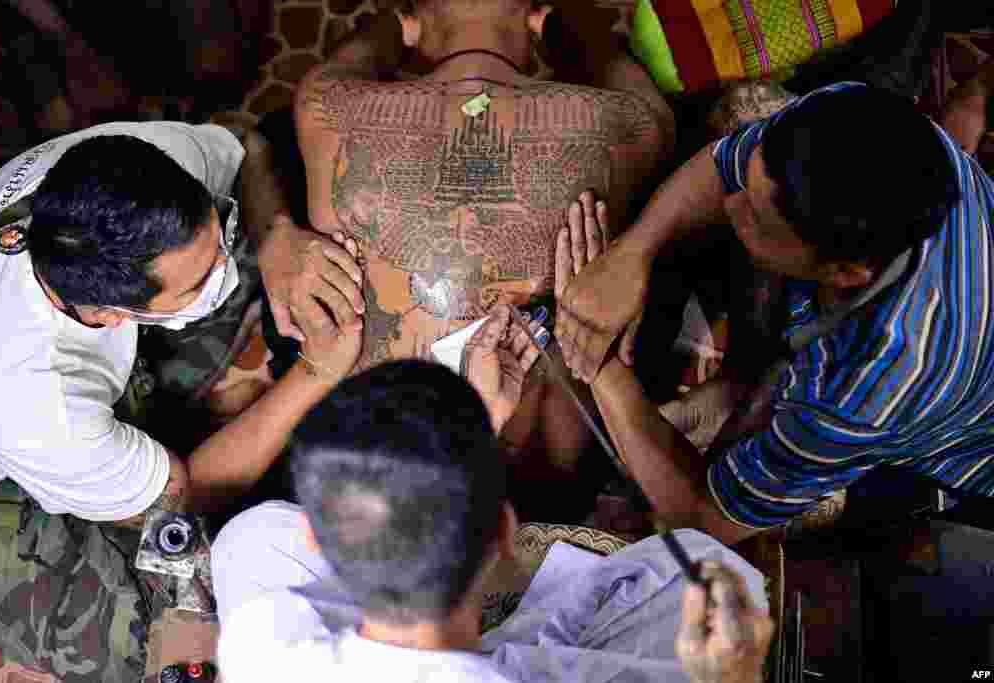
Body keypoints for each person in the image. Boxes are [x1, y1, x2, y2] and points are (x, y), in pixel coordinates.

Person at [554, 81, 994, 545]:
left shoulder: (872, 391)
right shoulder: (884, 136)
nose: (730, 204)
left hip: (966, 443)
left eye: (757, 219)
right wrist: (632, 254)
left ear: (843, 272)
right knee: (745, 108)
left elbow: (708, 518)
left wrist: (598, 364)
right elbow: (724, 168)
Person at [250, 1, 674, 474]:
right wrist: (559, 28)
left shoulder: (327, 104)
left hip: (361, 466)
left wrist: (396, 27)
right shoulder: (626, 120)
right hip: (550, 466)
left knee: (271, 140)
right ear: (532, 19)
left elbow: (356, 54)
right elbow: (627, 78)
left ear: (416, 22)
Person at [212, 334, 772, 683]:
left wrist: (474, 424)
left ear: (316, 536)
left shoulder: (262, 644)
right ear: (506, 533)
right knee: (706, 569)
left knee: (252, 537)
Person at [0, 121, 365, 523]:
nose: (224, 268)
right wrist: (318, 373)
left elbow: (249, 145)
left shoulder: (135, 168)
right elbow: (181, 497)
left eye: (219, 229)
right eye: (197, 284)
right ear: (111, 315)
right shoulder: (41, 416)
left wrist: (275, 234)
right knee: (164, 560)